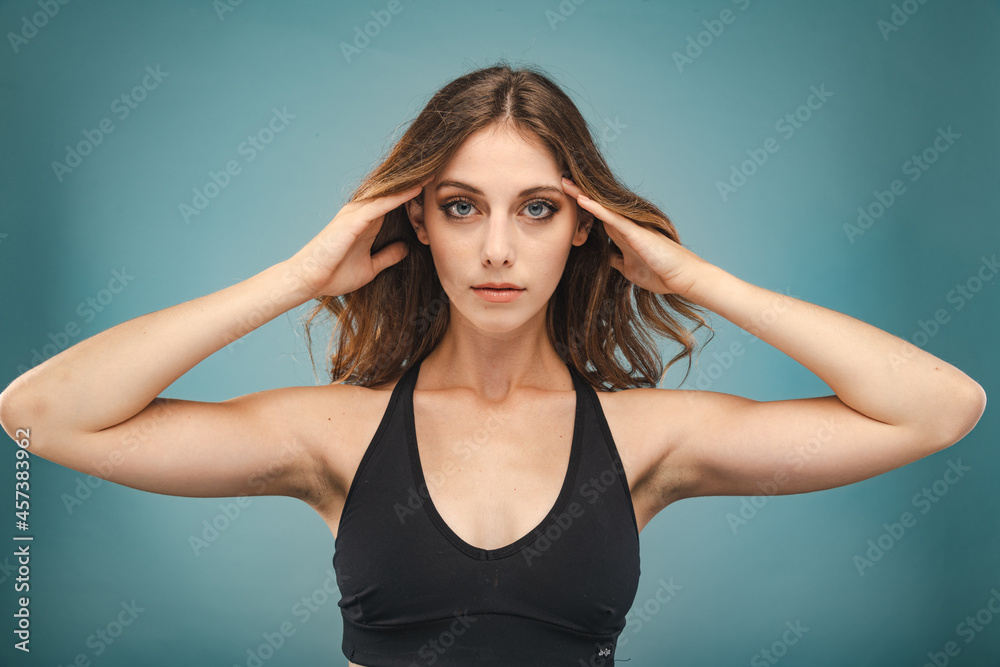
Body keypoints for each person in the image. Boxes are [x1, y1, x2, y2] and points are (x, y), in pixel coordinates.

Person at [0, 62, 987, 666]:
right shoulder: (336, 434)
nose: (499, 249)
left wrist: (692, 275)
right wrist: (298, 276)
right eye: (462, 205)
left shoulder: (646, 440)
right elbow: (42, 412)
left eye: (539, 208)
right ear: (417, 221)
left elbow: (940, 408)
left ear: (583, 229)